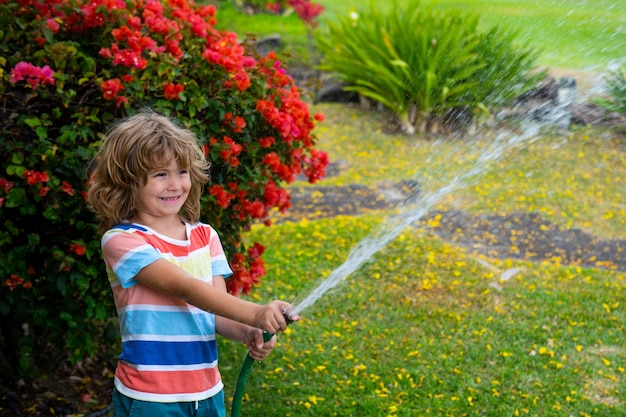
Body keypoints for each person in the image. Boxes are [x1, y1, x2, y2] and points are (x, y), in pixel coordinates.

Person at [87, 109, 299, 416]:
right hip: (150, 397)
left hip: (207, 392)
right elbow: (184, 287)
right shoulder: (123, 240)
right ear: (127, 182)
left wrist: (247, 331)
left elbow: (215, 307)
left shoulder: (205, 236)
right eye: (161, 174)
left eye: (182, 172)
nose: (175, 185)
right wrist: (256, 313)